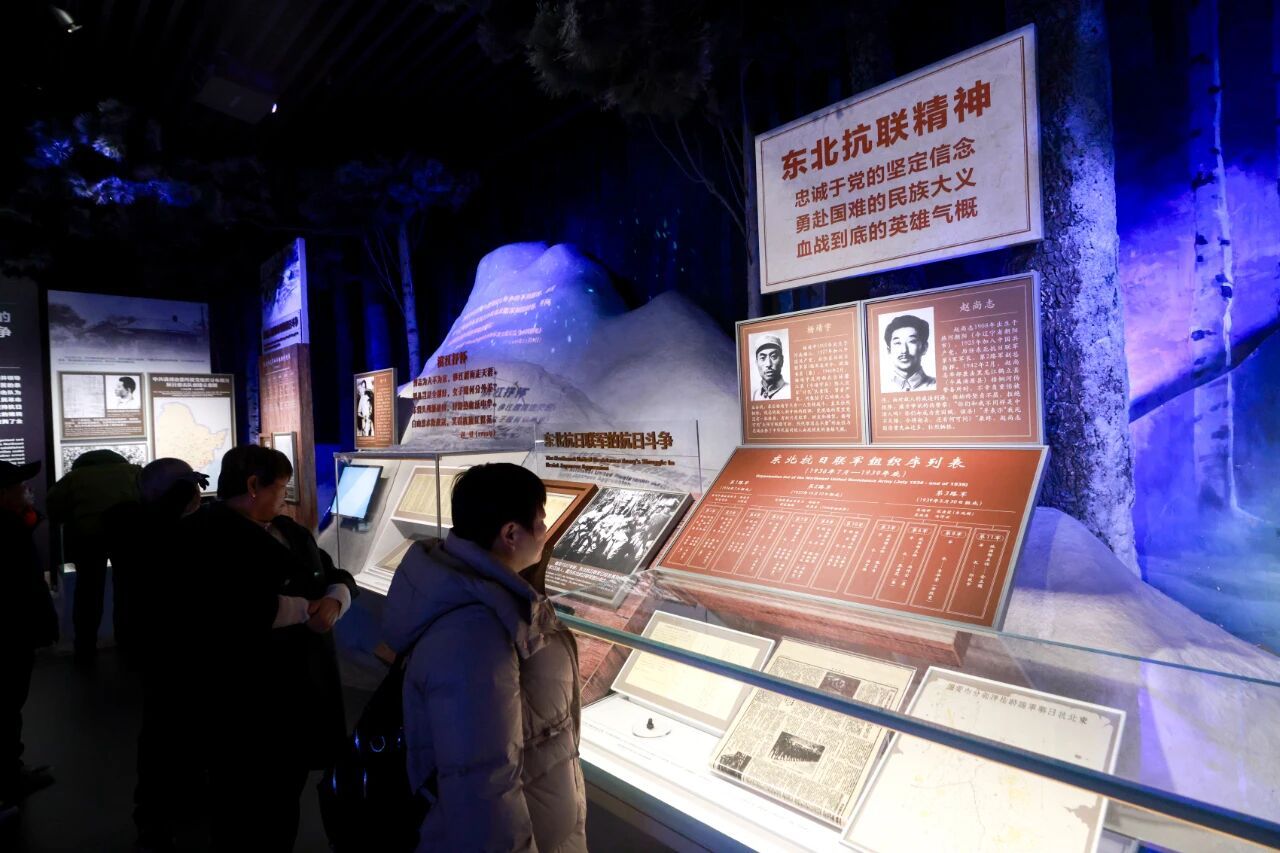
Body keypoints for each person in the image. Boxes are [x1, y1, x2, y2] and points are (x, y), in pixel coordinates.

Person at [384, 463, 586, 852]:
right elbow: (482, 786)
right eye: (540, 521)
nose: (546, 531)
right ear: (510, 534)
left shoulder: (475, 597)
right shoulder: (474, 634)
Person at [184, 445, 357, 851]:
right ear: (252, 486)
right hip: (249, 701)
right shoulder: (203, 536)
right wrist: (302, 609)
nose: (285, 496)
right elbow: (213, 610)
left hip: (298, 697)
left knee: (284, 797)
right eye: (281, 487)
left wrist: (336, 599)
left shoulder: (288, 530)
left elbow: (332, 572)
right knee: (247, 803)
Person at [104, 458, 207, 850]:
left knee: (185, 730)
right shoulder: (136, 525)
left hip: (177, 648)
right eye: (187, 487)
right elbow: (155, 536)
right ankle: (155, 817)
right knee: (163, 734)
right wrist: (180, 492)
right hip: (163, 649)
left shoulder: (160, 525)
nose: (196, 493)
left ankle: (188, 798)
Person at [46, 448, 142, 662]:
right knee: (127, 589)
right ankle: (127, 641)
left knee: (88, 591)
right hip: (126, 536)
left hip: (87, 539)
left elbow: (54, 508)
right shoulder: (133, 472)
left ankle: (85, 645)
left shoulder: (74, 477)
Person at [0, 460, 58, 812]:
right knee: (7, 706)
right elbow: (21, 586)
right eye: (19, 486)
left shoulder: (12, 524)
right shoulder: (8, 531)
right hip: (10, 635)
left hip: (14, 632)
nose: (26, 491)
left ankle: (10, 772)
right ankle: (8, 781)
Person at [883, 314, 936, 392]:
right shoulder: (882, 387)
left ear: (924, 348)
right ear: (889, 350)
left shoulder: (936, 385)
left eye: (912, 341)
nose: (904, 350)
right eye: (897, 343)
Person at [751, 334, 790, 400]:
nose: (768, 364)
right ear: (756, 362)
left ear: (782, 360)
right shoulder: (754, 395)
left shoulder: (789, 391)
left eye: (774, 356)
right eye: (762, 358)